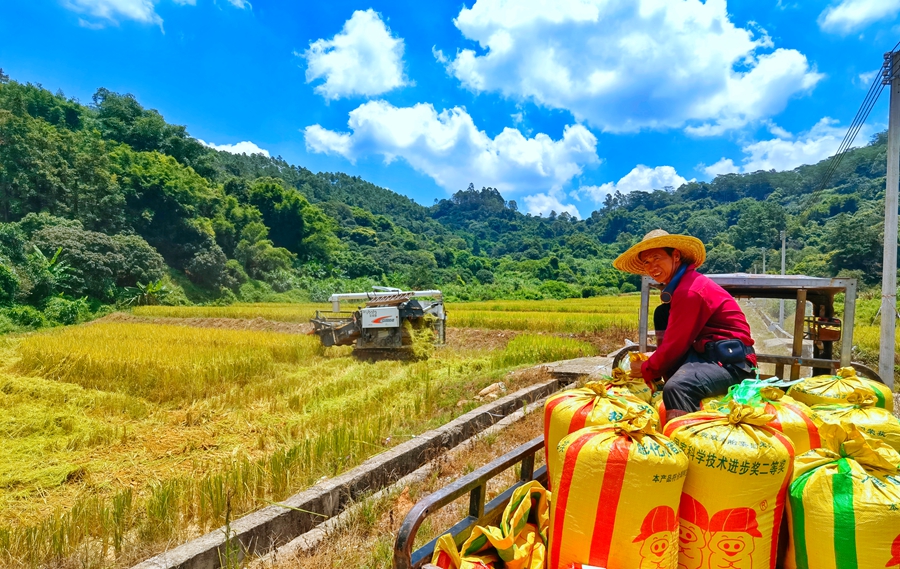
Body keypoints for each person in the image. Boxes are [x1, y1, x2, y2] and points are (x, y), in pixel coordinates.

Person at [613, 229, 757, 422]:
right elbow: (674, 341)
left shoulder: (690, 291)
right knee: (662, 313)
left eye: (656, 258)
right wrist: (654, 362)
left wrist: (646, 368)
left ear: (676, 256)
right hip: (706, 354)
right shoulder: (682, 287)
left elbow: (675, 345)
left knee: (678, 388)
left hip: (732, 363)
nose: (651, 267)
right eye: (646, 262)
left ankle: (680, 443)